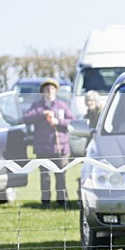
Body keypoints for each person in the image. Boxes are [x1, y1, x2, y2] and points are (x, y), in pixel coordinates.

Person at [23, 78, 73, 208]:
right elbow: (26, 118)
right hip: (43, 148)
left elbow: (72, 122)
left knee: (61, 176)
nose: (49, 91)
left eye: (51, 89)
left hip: (61, 148)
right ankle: (45, 202)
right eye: (46, 89)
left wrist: (58, 122)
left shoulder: (62, 105)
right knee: (45, 177)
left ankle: (62, 201)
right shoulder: (37, 106)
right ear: (42, 92)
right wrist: (41, 114)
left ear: (55, 91)